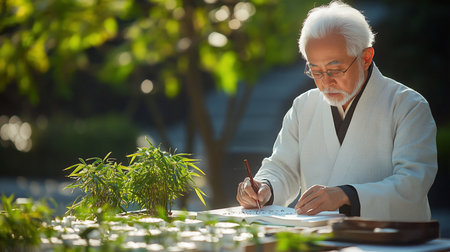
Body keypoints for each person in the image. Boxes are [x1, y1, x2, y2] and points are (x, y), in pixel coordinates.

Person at [236, 0, 437, 221]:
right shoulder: (304, 106)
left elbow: (412, 184)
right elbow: (282, 167)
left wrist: (345, 195)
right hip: (318, 238)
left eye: (335, 69)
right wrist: (264, 187)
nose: (325, 82)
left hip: (392, 240)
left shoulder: (408, 106)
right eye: (316, 71)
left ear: (366, 58)